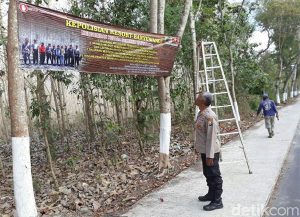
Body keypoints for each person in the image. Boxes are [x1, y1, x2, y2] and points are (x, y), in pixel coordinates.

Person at [194, 92, 223, 211]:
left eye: (199, 96)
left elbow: (211, 137)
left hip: (211, 151)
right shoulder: (201, 113)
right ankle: (211, 194)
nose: (197, 97)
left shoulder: (209, 116)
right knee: (207, 173)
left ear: (203, 102)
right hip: (205, 150)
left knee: (214, 175)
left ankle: (217, 201)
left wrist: (210, 156)